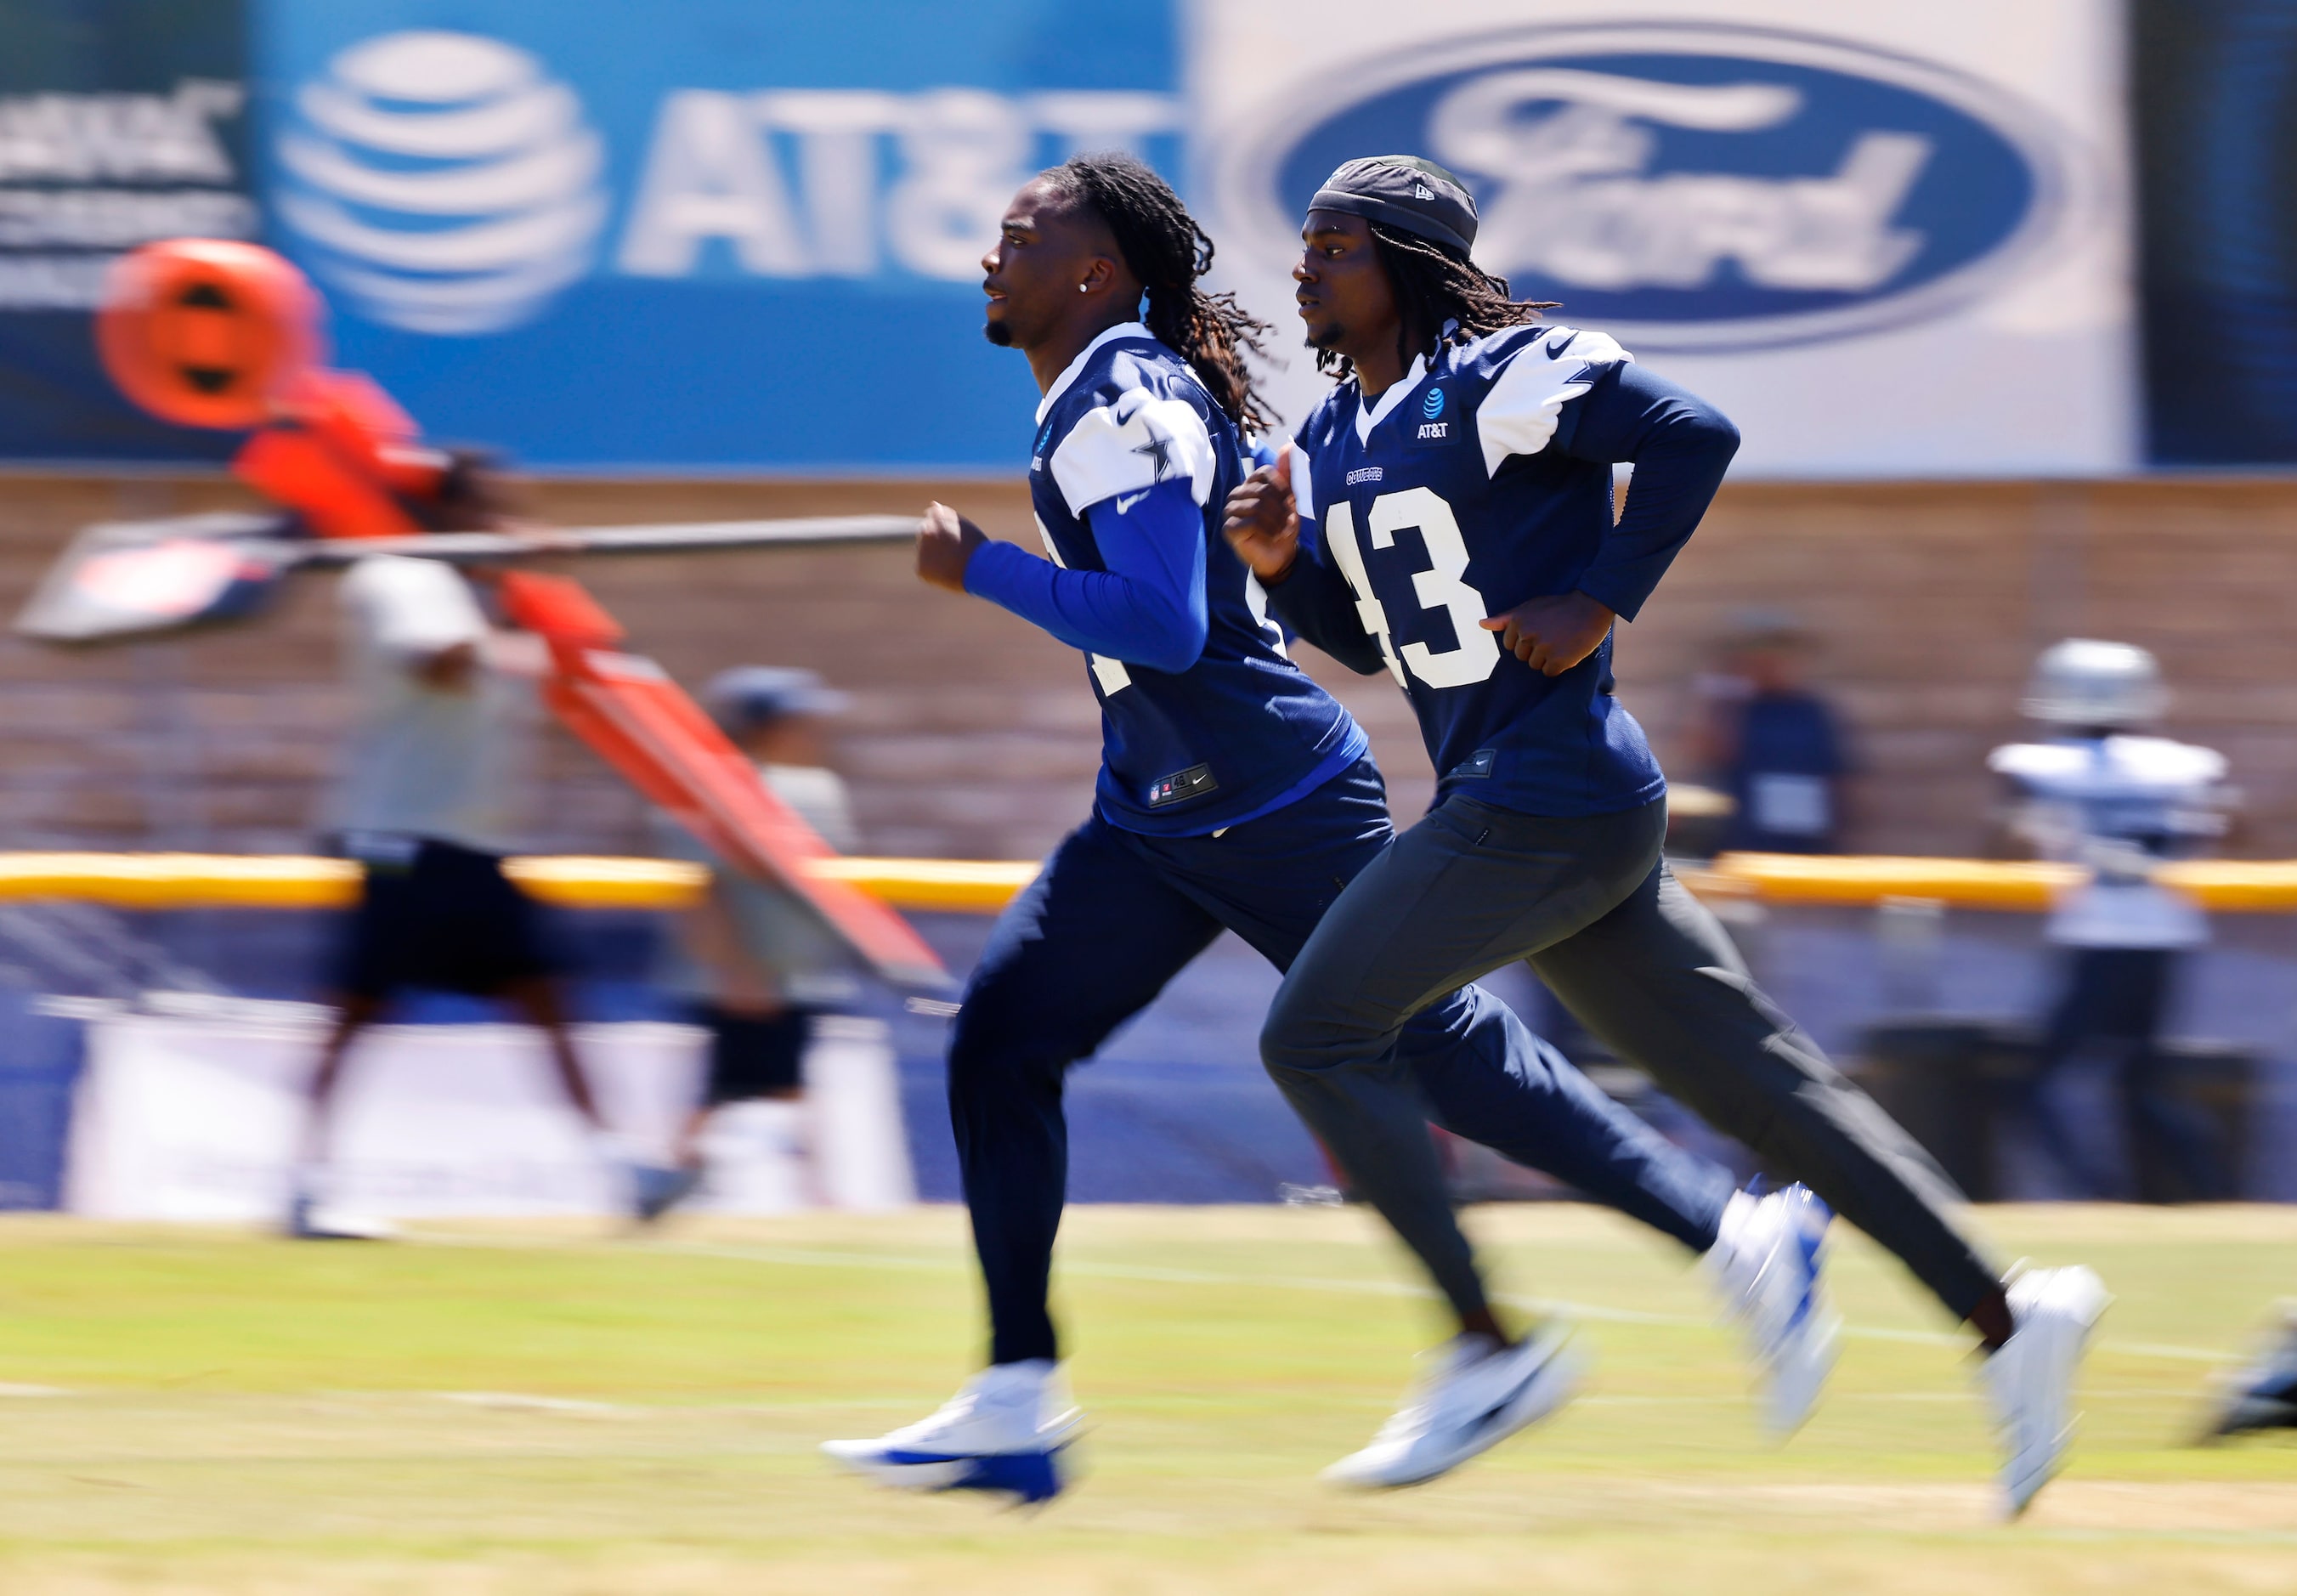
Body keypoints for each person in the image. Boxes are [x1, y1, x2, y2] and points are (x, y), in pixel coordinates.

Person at [823, 153, 1835, 1506]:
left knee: (1438, 1053)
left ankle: (1692, 1253)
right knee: (1004, 1040)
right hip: (1159, 807)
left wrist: (984, 568)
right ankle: (1015, 1394)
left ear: (1092, 272)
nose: (986, 257)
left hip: (1267, 799)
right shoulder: (1109, 388)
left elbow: (1163, 620)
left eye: (1015, 235)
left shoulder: (1115, 395)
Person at [1222, 154, 2105, 1518]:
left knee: (1314, 1030)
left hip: (1544, 793)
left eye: (1331, 247)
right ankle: (2005, 1313)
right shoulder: (1336, 432)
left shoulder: (1504, 370)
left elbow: (1692, 432)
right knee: (1765, 1091)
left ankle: (1481, 1350)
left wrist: (1597, 595)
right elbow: (1385, 644)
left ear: (1404, 258)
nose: (1302, 271)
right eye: (1304, 246)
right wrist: (1285, 569)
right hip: (1531, 802)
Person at [291, 553, 658, 1237]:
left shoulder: (477, 601)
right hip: (402, 843)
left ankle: (622, 1168)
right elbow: (437, 662)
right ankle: (303, 1185)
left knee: (547, 995)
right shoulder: (403, 580)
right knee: (357, 1013)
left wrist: (542, 611)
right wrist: (544, 643)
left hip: (469, 848)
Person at [1989, 639, 2234, 1200]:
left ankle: (2098, 1194)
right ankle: (2210, 1192)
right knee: (2138, 1082)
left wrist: (2054, 828)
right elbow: (2230, 823)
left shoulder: (2039, 766)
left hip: (2098, 939)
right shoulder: (2179, 766)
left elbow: (2002, 839)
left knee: (2032, 1085)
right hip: (2164, 938)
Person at [641, 666, 864, 1220]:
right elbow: (706, 892)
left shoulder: (816, 789)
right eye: (796, 721)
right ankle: (684, 1172)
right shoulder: (706, 790)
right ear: (761, 727)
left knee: (774, 1081)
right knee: (733, 1082)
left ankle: (806, 1189)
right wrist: (733, 969)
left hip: (796, 969)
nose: (810, 732)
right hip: (742, 974)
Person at [1690, 608, 1851, 855]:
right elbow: (1708, 751)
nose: (1770, 664)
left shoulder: (1812, 711)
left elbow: (1838, 776)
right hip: (1744, 839)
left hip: (1806, 842)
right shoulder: (1735, 710)